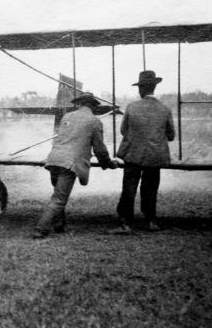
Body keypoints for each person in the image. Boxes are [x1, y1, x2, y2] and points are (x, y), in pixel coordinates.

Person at [32, 93, 117, 239]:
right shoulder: (94, 121)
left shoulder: (67, 117)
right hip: (69, 163)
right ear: (93, 106)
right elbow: (100, 150)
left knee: (58, 193)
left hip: (54, 159)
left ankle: (59, 224)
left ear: (79, 104)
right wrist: (109, 163)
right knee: (59, 198)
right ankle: (40, 229)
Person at [111, 71, 176, 234]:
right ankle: (150, 220)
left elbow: (123, 130)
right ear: (154, 87)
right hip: (155, 155)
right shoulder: (165, 109)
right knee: (150, 187)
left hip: (133, 154)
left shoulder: (132, 107)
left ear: (141, 88)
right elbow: (171, 136)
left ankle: (126, 222)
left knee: (129, 187)